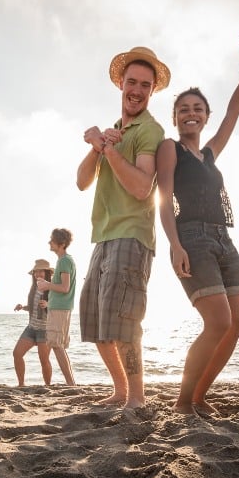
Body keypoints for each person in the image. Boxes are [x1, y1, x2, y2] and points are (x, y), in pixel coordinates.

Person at [156, 32, 239, 415]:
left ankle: (200, 396)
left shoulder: (210, 154)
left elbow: (235, 110)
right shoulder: (171, 148)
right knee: (217, 322)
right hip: (192, 238)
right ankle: (184, 402)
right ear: (176, 117)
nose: (191, 112)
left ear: (205, 116)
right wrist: (175, 245)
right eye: (184, 107)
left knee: (236, 324)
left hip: (224, 240)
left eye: (198, 107)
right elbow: (163, 198)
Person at [77, 46, 170, 408]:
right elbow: (82, 181)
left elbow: (142, 186)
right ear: (120, 82)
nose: (137, 89)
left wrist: (109, 150)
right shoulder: (115, 131)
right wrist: (96, 146)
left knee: (125, 325)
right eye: (131, 81)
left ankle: (136, 399)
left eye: (145, 85)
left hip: (132, 237)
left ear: (152, 91)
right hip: (102, 236)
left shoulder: (150, 130)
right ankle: (119, 392)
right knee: (99, 326)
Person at [36, 228, 76, 386]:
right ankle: (71, 382)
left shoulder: (65, 261)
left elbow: (65, 287)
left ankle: (71, 383)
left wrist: (47, 285)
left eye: (52, 240)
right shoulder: (65, 260)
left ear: (62, 243)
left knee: (56, 345)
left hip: (60, 307)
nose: (49, 243)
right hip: (61, 307)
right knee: (59, 346)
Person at [12, 259, 54, 386]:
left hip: (45, 330)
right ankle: (21, 384)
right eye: (36, 272)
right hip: (31, 328)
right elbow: (33, 307)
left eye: (41, 271)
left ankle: (48, 386)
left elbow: (60, 306)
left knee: (44, 360)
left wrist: (48, 304)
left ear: (47, 273)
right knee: (17, 354)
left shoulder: (52, 288)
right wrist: (23, 307)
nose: (38, 274)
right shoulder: (34, 288)